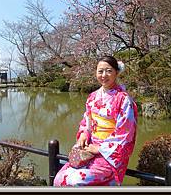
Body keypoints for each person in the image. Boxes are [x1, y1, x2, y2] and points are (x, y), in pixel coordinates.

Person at [53, 56, 138, 186]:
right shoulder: (93, 96)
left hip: (108, 153)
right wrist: (84, 135)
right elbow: (86, 121)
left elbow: (125, 133)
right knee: (59, 179)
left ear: (116, 72)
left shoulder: (123, 100)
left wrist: (99, 148)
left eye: (109, 71)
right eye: (100, 71)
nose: (104, 75)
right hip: (89, 148)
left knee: (77, 181)